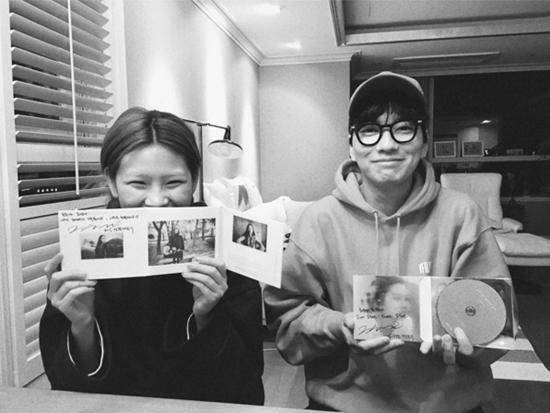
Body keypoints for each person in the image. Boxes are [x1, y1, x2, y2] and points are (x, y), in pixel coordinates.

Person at [264, 71, 511, 413]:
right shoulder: (319, 221)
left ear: (424, 141)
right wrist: (339, 326)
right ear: (351, 145)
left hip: (449, 405)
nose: (387, 144)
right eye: (369, 130)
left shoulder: (462, 214)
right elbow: (286, 324)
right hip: (343, 405)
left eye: (403, 128)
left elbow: (497, 322)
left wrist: (473, 341)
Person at [39, 108, 264, 404]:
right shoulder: (84, 252)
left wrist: (207, 316)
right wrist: (82, 326)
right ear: (112, 181)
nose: (156, 201)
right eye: (138, 184)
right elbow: (64, 388)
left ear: (195, 180)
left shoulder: (227, 249)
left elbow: (247, 385)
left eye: (173, 183)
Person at [367, 276, 416, 340]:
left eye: (407, 299)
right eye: (397, 298)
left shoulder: (406, 323)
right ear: (380, 300)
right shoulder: (366, 325)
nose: (404, 305)